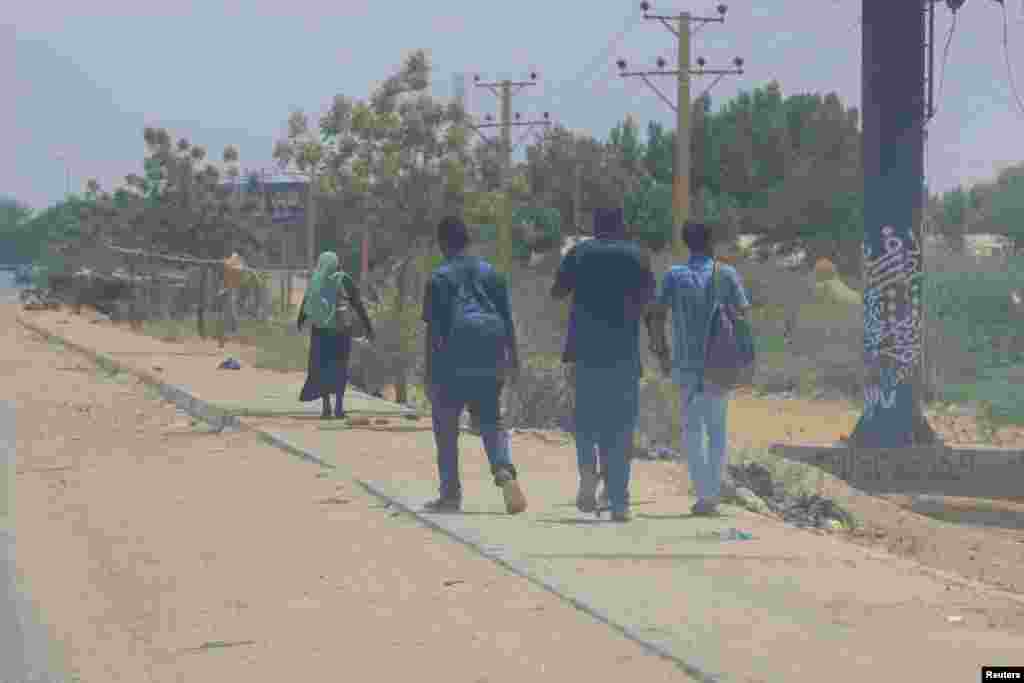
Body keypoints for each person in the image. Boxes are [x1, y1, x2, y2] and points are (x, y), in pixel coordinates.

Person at [551, 207, 656, 522]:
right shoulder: (637, 257)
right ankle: (619, 502)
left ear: (594, 226)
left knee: (585, 420)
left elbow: (557, 293)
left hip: (584, 352)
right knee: (620, 428)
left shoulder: (580, 253)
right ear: (622, 227)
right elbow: (651, 303)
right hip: (624, 354)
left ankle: (587, 471)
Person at [422, 216, 527, 515]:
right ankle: (503, 470)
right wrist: (513, 361)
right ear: (468, 241)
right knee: (491, 421)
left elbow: (433, 332)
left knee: (445, 427)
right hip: (490, 355)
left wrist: (430, 373)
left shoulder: (439, 278)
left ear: (442, 244)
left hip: (452, 362)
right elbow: (507, 321)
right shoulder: (491, 274)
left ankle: (450, 495)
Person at [646, 221, 751, 516]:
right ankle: (712, 495)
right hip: (720, 364)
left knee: (692, 429)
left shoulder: (674, 276)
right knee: (717, 429)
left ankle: (703, 494)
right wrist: (745, 358)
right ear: (712, 243)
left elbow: (656, 316)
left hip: (685, 364)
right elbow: (743, 318)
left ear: (686, 243)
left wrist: (662, 353)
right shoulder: (727, 274)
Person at [297, 251, 375, 419]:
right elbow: (357, 303)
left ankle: (326, 408)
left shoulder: (316, 280)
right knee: (340, 368)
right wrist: (368, 326)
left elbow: (306, 303)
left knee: (323, 368)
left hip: (320, 332)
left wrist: (300, 322)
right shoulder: (344, 279)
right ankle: (338, 407)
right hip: (340, 332)